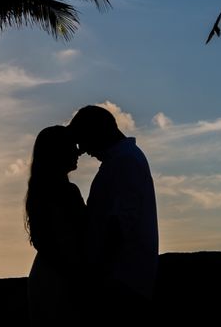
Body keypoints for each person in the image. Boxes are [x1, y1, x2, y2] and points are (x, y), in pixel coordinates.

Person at [68, 105, 159, 315]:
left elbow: (120, 223)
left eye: (84, 140)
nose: (84, 150)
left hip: (120, 280)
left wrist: (98, 270)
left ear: (98, 132)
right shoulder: (122, 160)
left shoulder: (125, 161)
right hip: (118, 278)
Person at [25, 125, 87, 325]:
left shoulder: (41, 191)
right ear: (58, 152)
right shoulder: (66, 192)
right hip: (62, 278)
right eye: (72, 146)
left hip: (48, 275)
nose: (78, 151)